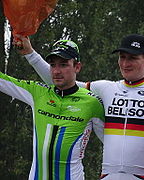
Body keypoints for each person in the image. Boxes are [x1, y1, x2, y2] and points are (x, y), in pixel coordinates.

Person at [17, 34, 144, 180]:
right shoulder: (105, 88)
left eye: (132, 58)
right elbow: (61, 80)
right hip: (108, 176)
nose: (125, 63)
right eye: (122, 57)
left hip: (143, 176)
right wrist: (30, 54)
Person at [6, 38, 105, 180]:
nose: (57, 71)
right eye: (53, 65)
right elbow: (3, 81)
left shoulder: (92, 102)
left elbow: (111, 143)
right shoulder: (38, 92)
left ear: (77, 67)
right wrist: (28, 52)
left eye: (64, 65)